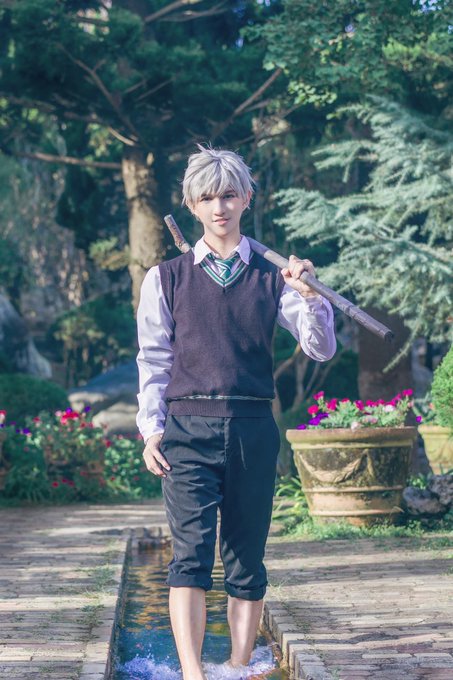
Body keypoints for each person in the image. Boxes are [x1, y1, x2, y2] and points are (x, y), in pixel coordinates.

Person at [136, 145, 336, 680]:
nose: (219, 206)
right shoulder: (165, 278)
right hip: (186, 431)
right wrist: (152, 431)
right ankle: (193, 673)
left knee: (247, 558)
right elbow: (153, 361)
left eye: (228, 194)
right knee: (190, 557)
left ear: (247, 198)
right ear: (192, 206)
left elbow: (320, 349)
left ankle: (239, 667)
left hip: (252, 428)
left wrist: (310, 297)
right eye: (207, 198)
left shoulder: (275, 278)